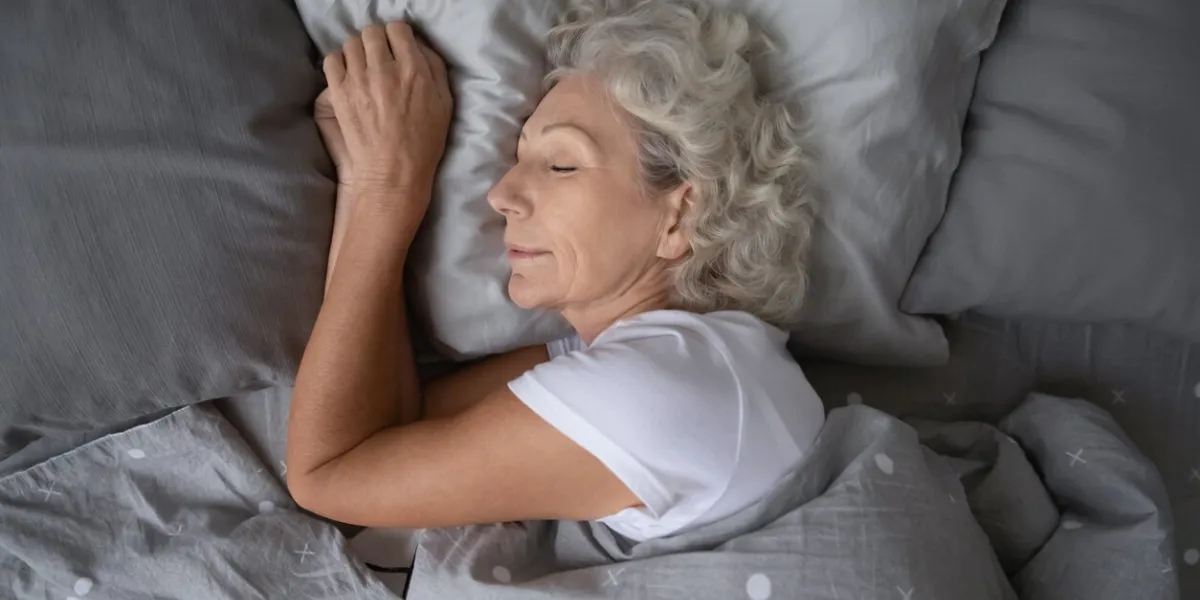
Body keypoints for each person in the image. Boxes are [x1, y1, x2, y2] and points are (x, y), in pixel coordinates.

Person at [288, 0, 824, 543]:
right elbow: (392, 431)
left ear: (680, 214)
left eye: (561, 164)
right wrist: (364, 184)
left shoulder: (650, 390)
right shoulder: (684, 358)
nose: (501, 195)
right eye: (519, 159)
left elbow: (330, 475)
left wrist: (388, 193)